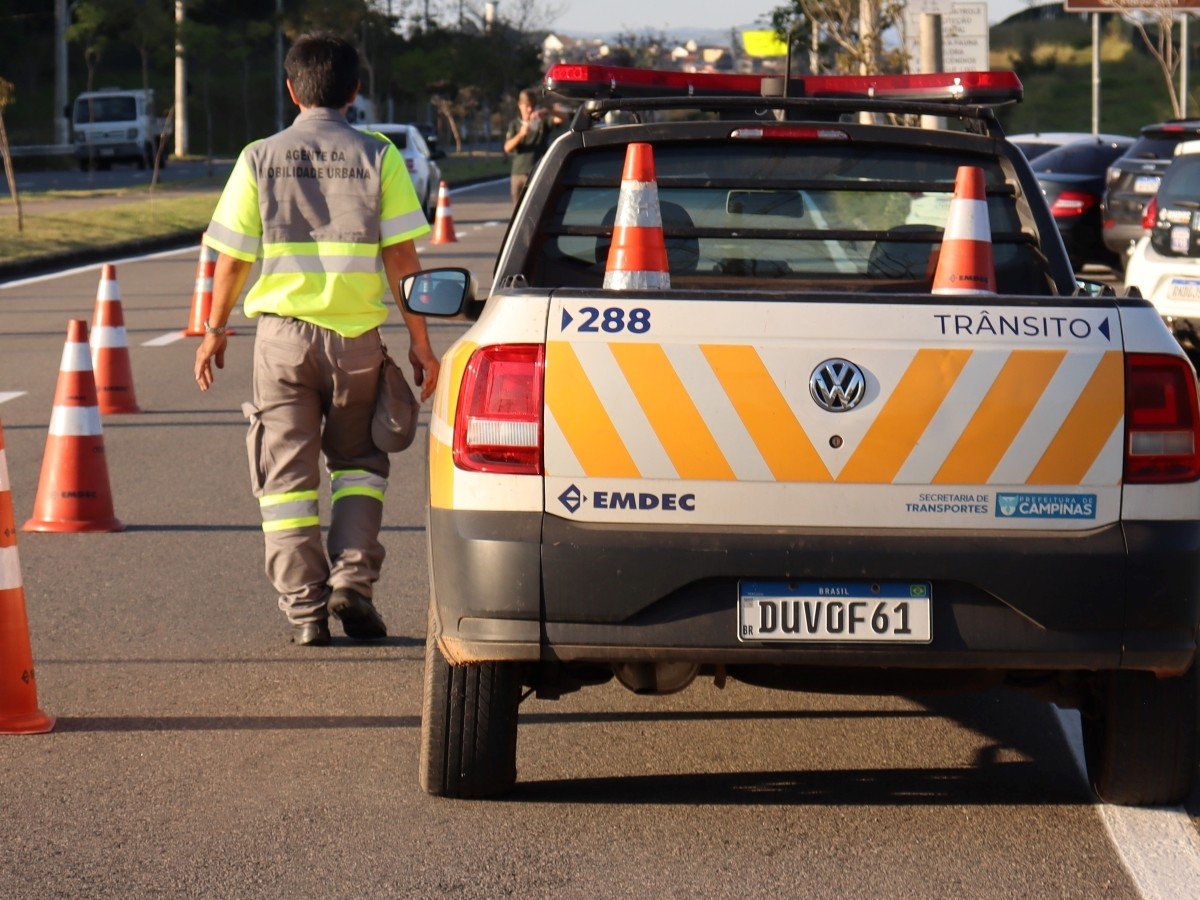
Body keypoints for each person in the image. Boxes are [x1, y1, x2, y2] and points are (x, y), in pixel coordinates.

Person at [194, 33, 439, 647]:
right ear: (355, 91)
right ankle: (352, 584)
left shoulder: (258, 157)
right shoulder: (379, 156)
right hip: (356, 343)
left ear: (291, 89)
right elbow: (402, 258)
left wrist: (214, 330)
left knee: (285, 483)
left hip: (281, 344)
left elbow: (231, 259)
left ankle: (305, 611)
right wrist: (420, 342)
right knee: (360, 467)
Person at [503, 88, 565, 205]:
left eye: (532, 106)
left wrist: (548, 111)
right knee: (518, 208)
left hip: (538, 171)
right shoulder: (515, 124)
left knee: (538, 206)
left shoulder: (542, 121)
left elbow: (562, 118)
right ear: (520, 105)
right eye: (526, 106)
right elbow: (507, 148)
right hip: (518, 173)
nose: (529, 109)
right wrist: (521, 134)